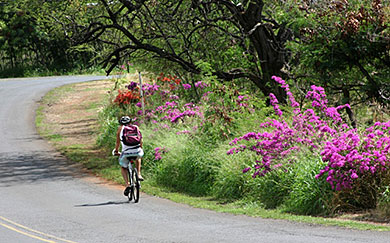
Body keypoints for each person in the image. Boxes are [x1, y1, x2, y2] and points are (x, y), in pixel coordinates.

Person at [114, 116, 144, 196]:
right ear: (131, 121)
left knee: (123, 167)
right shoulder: (136, 127)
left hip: (126, 153)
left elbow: (117, 143)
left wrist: (116, 151)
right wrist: (139, 148)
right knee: (138, 158)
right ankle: (139, 174)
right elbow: (141, 140)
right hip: (137, 151)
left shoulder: (120, 129)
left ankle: (127, 184)